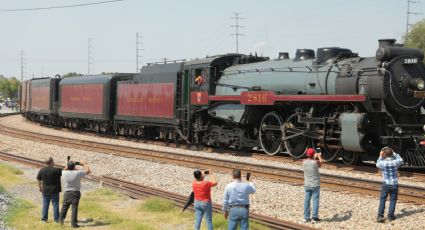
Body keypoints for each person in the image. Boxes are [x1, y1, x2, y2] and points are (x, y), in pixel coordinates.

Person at [59, 161, 91, 228]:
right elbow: (88, 171)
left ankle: (60, 222)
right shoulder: (78, 173)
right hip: (75, 193)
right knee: (74, 208)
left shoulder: (64, 173)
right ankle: (74, 224)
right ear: (74, 167)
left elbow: (65, 169)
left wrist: (68, 166)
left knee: (64, 208)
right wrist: (83, 164)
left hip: (67, 192)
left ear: (68, 167)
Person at [376, 147, 403, 223]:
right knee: (393, 200)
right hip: (394, 184)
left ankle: (380, 216)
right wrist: (394, 153)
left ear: (384, 154)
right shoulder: (396, 162)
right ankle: (390, 216)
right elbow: (401, 159)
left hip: (386, 183)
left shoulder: (382, 163)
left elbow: (377, 164)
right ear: (392, 154)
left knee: (382, 199)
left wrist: (380, 156)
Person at [36, 157, 62, 223]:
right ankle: (56, 220)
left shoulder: (42, 170)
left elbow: (38, 179)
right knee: (55, 205)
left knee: (45, 205)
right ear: (52, 162)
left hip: (45, 190)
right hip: (55, 190)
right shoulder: (57, 170)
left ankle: (44, 219)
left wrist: (40, 187)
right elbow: (65, 171)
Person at [302, 147, 323, 223]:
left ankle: (306, 217)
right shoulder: (315, 162)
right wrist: (319, 156)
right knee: (315, 200)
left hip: (307, 184)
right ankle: (314, 217)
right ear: (313, 154)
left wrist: (314, 156)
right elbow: (321, 163)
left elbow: (310, 160)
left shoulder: (304, 162)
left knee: (307, 200)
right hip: (315, 185)